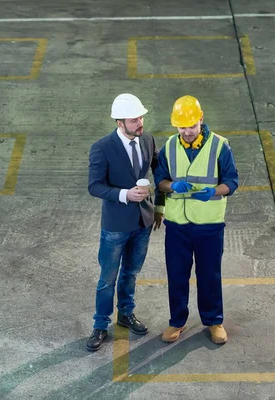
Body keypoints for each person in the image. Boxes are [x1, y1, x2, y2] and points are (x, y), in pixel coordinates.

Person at [154, 95, 239, 345]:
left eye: (191, 126)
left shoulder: (220, 146)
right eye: (182, 127)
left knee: (209, 274)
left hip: (209, 225)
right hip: (177, 226)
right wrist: (172, 186)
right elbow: (160, 180)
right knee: (177, 275)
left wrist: (214, 191)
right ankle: (177, 321)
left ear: (201, 119)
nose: (187, 132)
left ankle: (214, 321)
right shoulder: (169, 146)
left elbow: (231, 181)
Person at [86, 93, 164, 352]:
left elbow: (160, 170)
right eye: (134, 120)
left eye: (141, 117)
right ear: (120, 123)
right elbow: (94, 186)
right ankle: (100, 324)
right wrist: (124, 195)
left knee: (131, 272)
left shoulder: (148, 139)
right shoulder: (102, 148)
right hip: (116, 226)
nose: (140, 123)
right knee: (108, 278)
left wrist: (158, 208)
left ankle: (126, 313)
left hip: (143, 221)